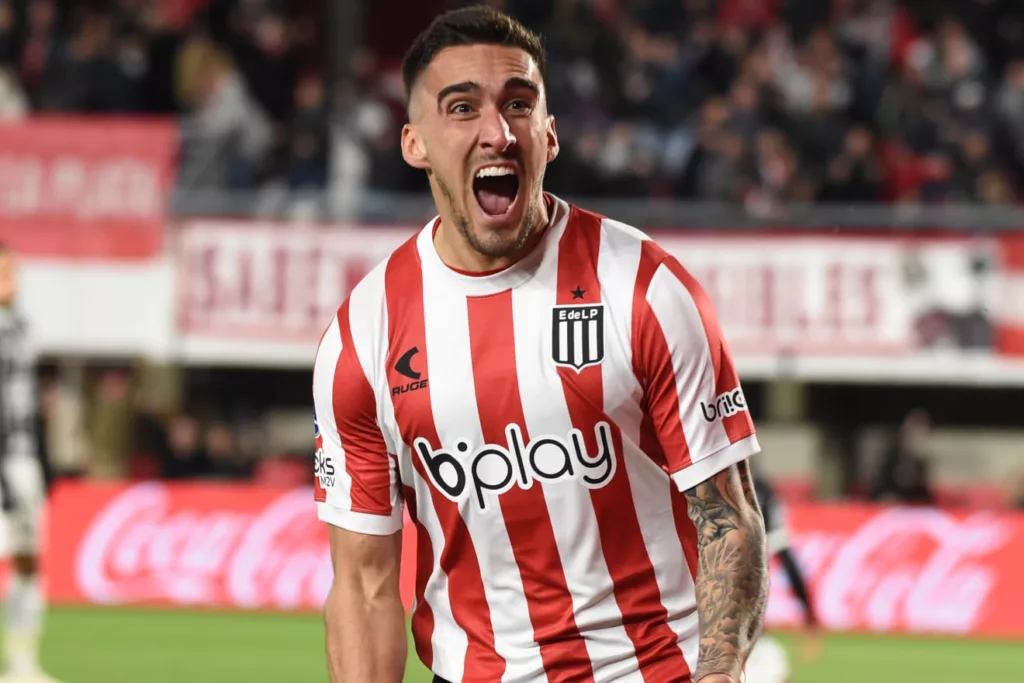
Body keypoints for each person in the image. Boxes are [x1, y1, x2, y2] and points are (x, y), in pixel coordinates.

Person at [312, 7, 769, 683]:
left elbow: (728, 518)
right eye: (462, 108)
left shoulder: (644, 288)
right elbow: (364, 586)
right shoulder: (364, 335)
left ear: (549, 135)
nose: (497, 132)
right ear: (415, 143)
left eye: (519, 105)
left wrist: (719, 674)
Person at [0, 244, 60, 683]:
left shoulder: (22, 327)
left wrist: (43, 456)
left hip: (23, 461)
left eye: (12, 272)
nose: (11, 282)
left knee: (29, 560)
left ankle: (21, 664)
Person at [745, 472, 821, 683]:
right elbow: (788, 563)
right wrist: (810, 620)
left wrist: (809, 620)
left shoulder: (755, 490)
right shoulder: (757, 488)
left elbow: (787, 560)